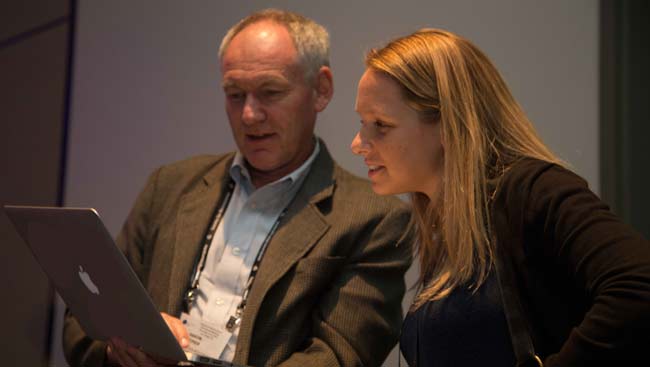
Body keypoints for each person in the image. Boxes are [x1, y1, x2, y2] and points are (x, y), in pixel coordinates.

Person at [63, 9, 413, 367]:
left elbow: (341, 356)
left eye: (270, 92)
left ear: (320, 90)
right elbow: (84, 316)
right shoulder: (170, 186)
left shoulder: (372, 218)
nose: (249, 114)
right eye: (234, 94)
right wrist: (121, 348)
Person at [351, 28, 650, 367]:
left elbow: (639, 287)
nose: (358, 143)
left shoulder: (534, 189)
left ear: (450, 123)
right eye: (363, 122)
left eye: (381, 124)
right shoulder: (448, 225)